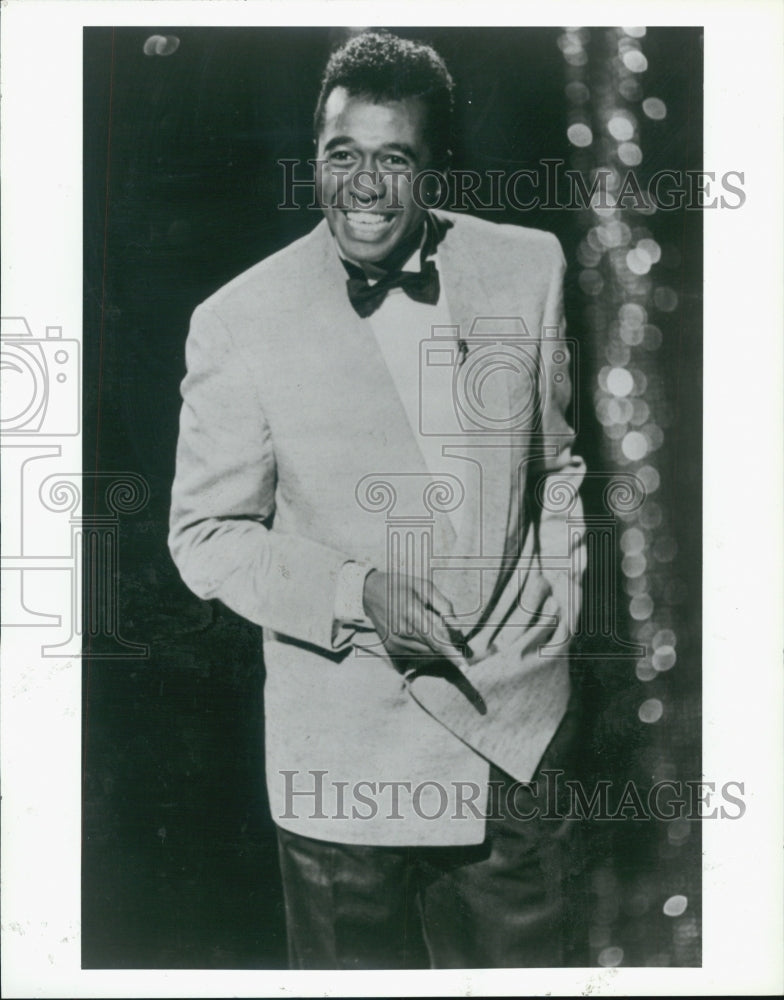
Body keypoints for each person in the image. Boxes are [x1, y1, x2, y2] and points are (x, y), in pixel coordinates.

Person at [169, 29, 589, 969]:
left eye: (393, 157)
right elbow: (205, 535)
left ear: (432, 164)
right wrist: (356, 592)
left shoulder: (529, 266)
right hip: (342, 761)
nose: (364, 184)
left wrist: (558, 602)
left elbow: (557, 466)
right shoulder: (240, 319)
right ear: (315, 158)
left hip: (508, 739)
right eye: (341, 154)